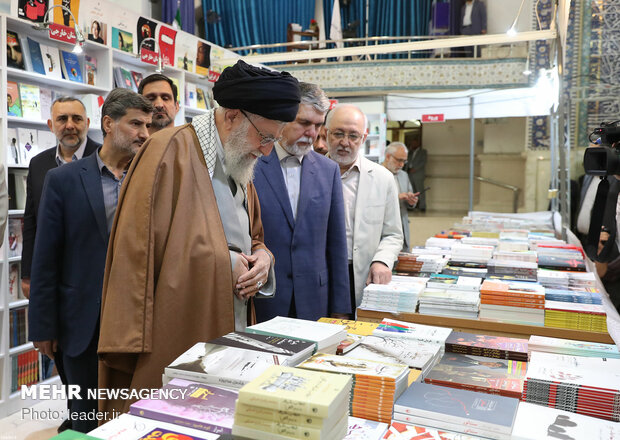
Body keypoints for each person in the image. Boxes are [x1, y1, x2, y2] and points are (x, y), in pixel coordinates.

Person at [97, 60, 300, 416]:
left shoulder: (240, 160)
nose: (268, 150)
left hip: (233, 330)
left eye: (275, 140)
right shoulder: (168, 151)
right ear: (233, 116)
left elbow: (252, 237)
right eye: (265, 137)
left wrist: (264, 258)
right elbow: (138, 256)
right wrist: (226, 263)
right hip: (180, 332)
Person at [28, 89, 153, 433]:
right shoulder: (63, 179)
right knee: (83, 414)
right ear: (109, 124)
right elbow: (45, 258)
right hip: (80, 323)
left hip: (139, 321)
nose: (144, 133)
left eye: (148, 125)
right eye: (136, 124)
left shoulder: (154, 179)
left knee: (132, 416)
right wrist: (42, 326)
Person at [21, 96, 100, 433]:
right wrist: (27, 272)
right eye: (62, 119)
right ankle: (76, 409)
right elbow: (31, 222)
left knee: (84, 351)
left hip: (88, 277)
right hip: (51, 274)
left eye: (77, 119)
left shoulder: (105, 157)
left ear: (88, 122)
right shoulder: (39, 165)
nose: (70, 125)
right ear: (50, 125)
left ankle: (87, 415)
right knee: (59, 347)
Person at [253, 83, 350, 322]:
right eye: (304, 123)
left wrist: (340, 309)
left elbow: (337, 244)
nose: (312, 133)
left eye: (318, 125)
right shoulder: (252, 165)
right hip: (264, 298)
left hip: (315, 301)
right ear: (282, 119)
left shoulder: (328, 171)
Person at [326, 104, 403, 311]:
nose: (345, 142)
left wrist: (382, 261)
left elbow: (393, 234)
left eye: (353, 136)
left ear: (364, 138)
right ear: (326, 134)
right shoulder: (310, 173)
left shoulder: (383, 178)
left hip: (361, 273)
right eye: (338, 134)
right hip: (321, 274)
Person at [383, 142, 419, 252]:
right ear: (388, 156)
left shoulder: (404, 175)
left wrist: (411, 201)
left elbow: (410, 200)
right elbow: (370, 202)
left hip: (402, 227)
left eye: (404, 161)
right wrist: (396, 197)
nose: (402, 165)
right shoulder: (375, 174)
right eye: (399, 160)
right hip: (382, 229)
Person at [406, 137, 427, 211]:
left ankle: (422, 206)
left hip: (418, 174)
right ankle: (412, 206)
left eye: (414, 143)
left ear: (418, 143)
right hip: (409, 174)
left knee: (420, 190)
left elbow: (423, 162)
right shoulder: (410, 152)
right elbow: (407, 160)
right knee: (411, 191)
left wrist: (415, 169)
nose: (413, 144)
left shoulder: (423, 152)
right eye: (412, 143)